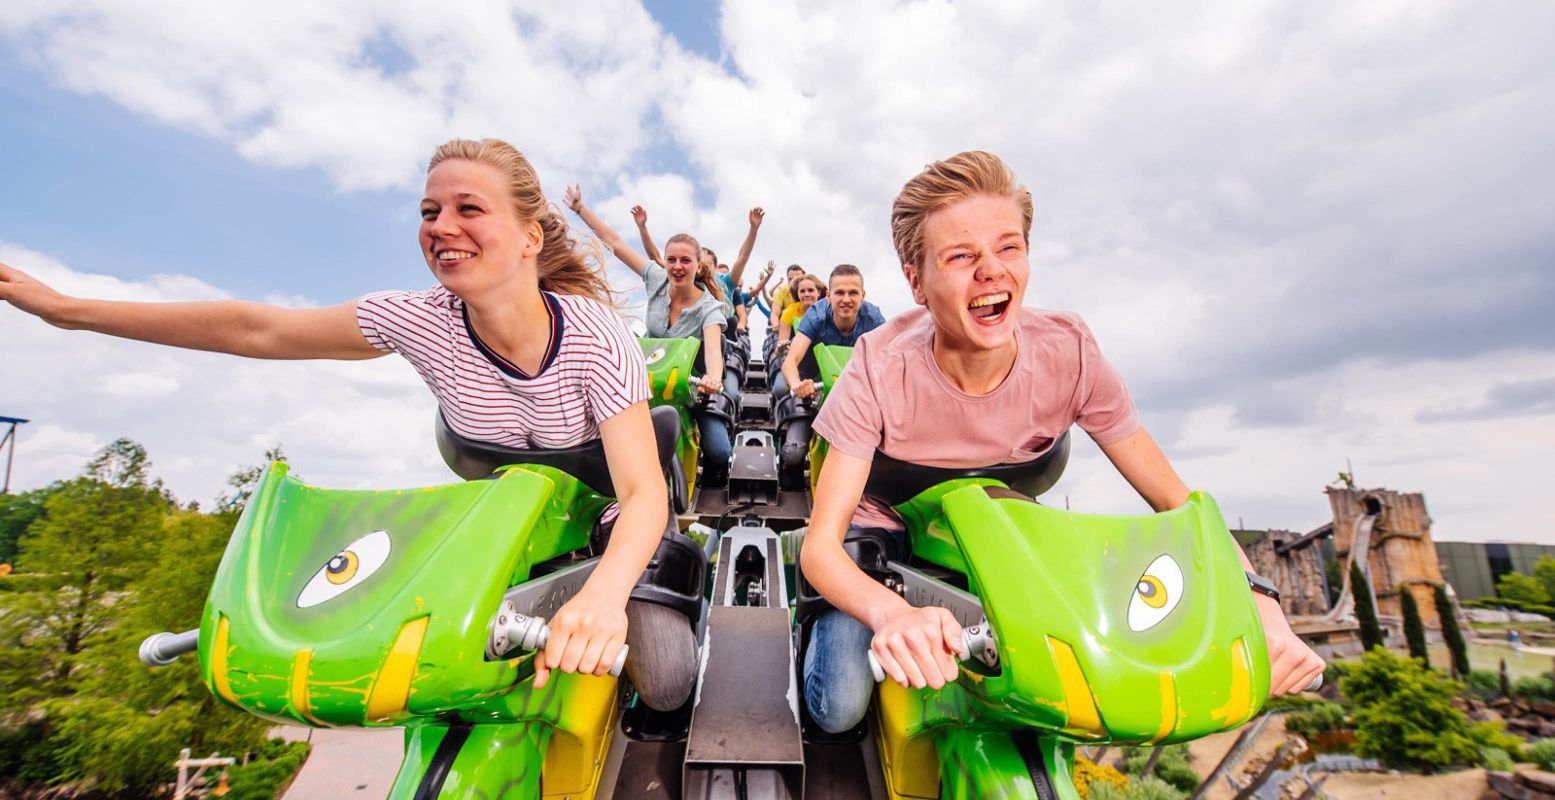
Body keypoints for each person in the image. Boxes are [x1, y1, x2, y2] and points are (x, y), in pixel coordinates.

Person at [0, 138, 699, 710]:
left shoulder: (594, 337)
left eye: (467, 208)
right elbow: (257, 328)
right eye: (429, 211)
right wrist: (66, 309)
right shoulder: (417, 319)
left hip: (608, 505)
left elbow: (641, 494)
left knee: (665, 684)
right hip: (505, 506)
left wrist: (606, 596)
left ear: (528, 236)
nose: (441, 227)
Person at [797, 151, 1325, 734]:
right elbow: (820, 547)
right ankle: (812, 634)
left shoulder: (1070, 353)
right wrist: (892, 615)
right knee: (841, 708)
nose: (992, 271)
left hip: (999, 538)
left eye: (1009, 247)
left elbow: (1179, 504)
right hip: (887, 541)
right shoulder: (877, 366)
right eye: (961, 256)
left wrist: (1263, 606)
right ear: (917, 281)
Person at [566, 187, 741, 486]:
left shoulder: (710, 307)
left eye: (685, 260)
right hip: (647, 376)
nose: (677, 266)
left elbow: (713, 349)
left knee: (719, 450)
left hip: (689, 385)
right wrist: (581, 209)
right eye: (671, 259)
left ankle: (701, 478)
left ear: (699, 266)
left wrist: (713, 377)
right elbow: (615, 243)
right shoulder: (656, 278)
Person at [780, 264, 885, 400]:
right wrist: (797, 384)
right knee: (785, 393)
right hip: (815, 378)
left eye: (853, 293)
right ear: (829, 296)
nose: (846, 299)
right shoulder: (816, 315)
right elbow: (790, 361)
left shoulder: (874, 318)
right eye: (840, 293)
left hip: (858, 381)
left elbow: (891, 359)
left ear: (862, 296)